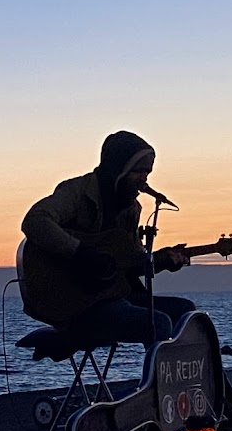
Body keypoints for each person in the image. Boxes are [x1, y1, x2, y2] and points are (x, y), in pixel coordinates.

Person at [20, 130, 195, 348]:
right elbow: (35, 221)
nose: (143, 179)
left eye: (147, 173)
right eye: (137, 171)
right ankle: (157, 382)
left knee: (185, 312)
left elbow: (129, 264)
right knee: (157, 322)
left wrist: (160, 262)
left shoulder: (132, 209)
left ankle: (181, 381)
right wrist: (80, 252)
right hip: (75, 305)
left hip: (113, 295)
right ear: (118, 169)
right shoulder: (77, 192)